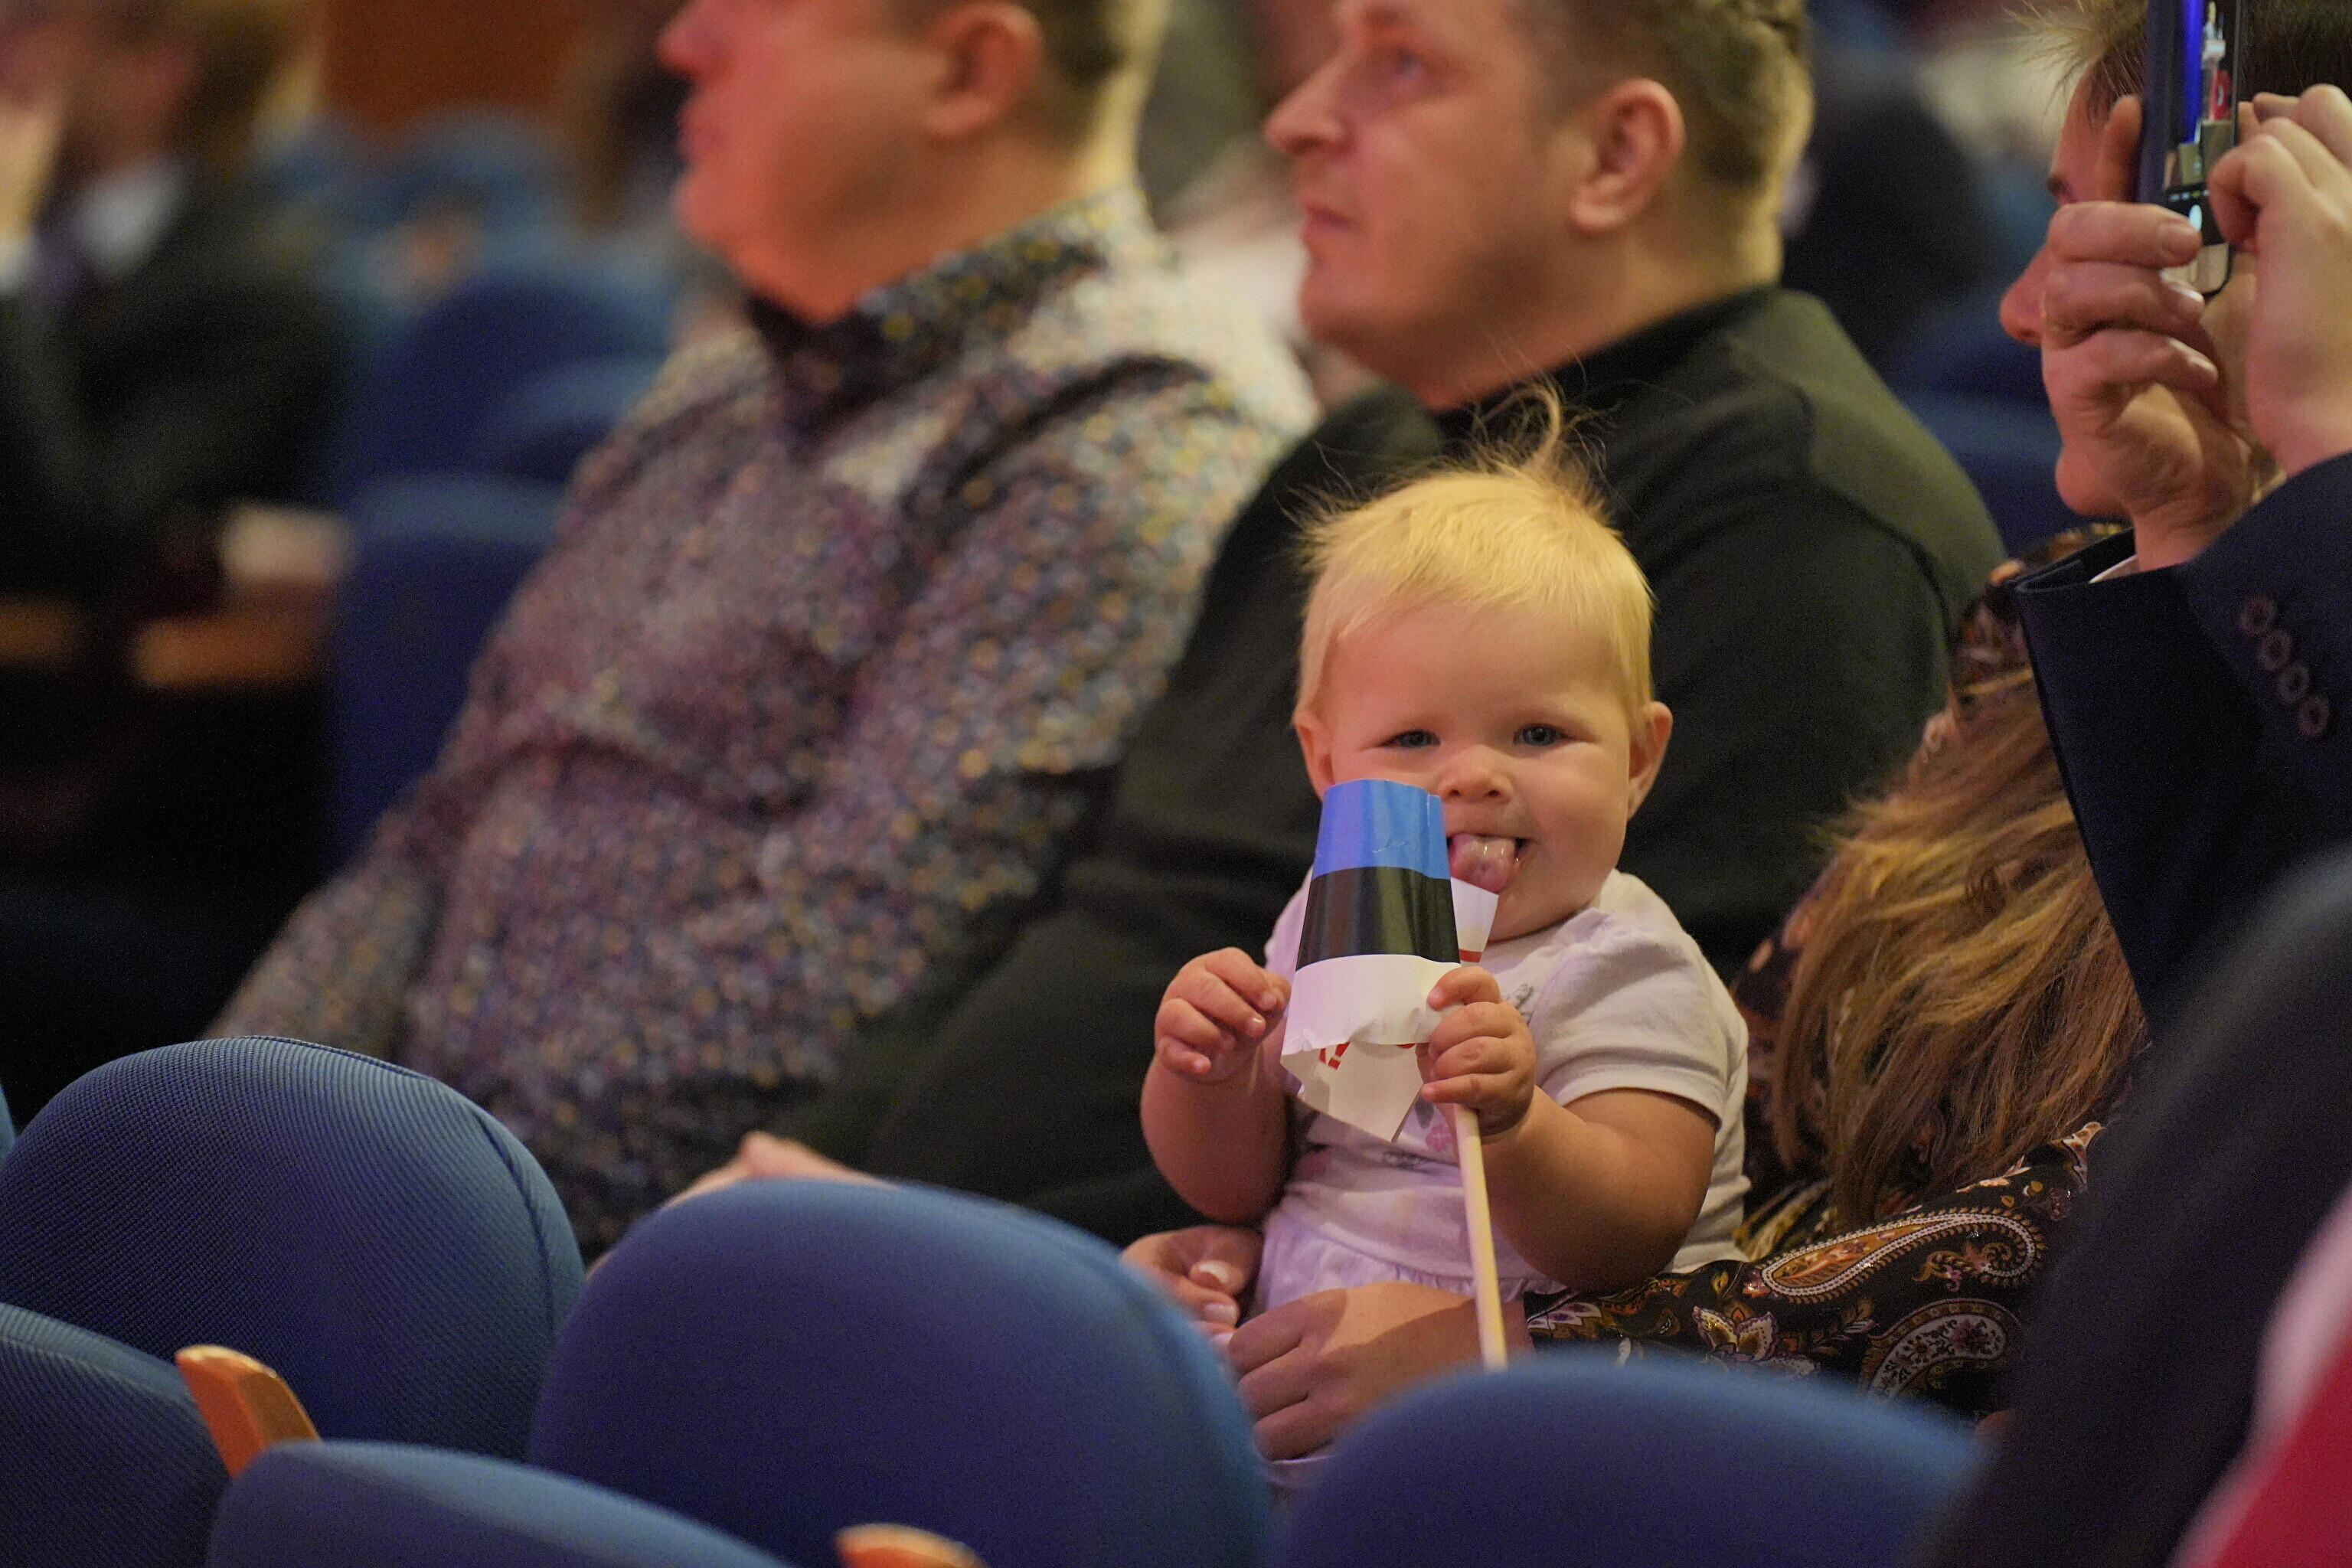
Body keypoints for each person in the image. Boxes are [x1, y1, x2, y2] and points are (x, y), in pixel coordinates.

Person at [1124, 0, 2350, 1466]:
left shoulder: (1810, 518)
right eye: (2069, 235)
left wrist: (1533, 1354)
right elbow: (1764, 1095)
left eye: (2140, 246)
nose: (2025, 310)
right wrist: (1268, 1240)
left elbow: (2136, 1212)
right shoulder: (2054, 618)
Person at [713, 0, 2001, 1245]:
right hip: (956, 1243)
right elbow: (1081, 897)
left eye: (1400, 65)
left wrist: (1004, 1254)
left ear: (1615, 155)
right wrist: (827, 1169)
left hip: (1185, 1314)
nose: (1297, 120)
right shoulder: (1368, 459)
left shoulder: (1807, 522)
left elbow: (1644, 1152)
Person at [213, 0, 1315, 1253]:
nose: (683, 43)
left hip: (601, 1260)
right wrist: (230, 1127)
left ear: (968, 70)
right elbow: (436, 835)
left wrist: (384, 1210)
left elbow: (843, 976)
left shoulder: (1131, 436)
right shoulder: (723, 389)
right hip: (391, 1190)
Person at [1916, 11, 2352, 1560]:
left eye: (2127, 235)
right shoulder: (2109, 607)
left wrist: (2325, 465)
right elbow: (2234, 997)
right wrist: (2185, 521)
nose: (2026, 310)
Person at [1144, 436, 1746, 1326]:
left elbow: (1634, 1233)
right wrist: (1208, 1073)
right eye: (1413, 739)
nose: (1471, 776)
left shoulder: (1630, 965)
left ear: (1636, 758)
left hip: (1514, 1375)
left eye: (1537, 734)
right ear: (1326, 762)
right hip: (1292, 1340)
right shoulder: (1341, 912)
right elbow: (1235, 1185)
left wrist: (1519, 1125)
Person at [0, 0, 335, 600]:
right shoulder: (44, 228)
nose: (9, 56)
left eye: (38, 24)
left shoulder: (254, 295)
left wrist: (5, 249)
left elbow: (81, 536)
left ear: (158, 71)